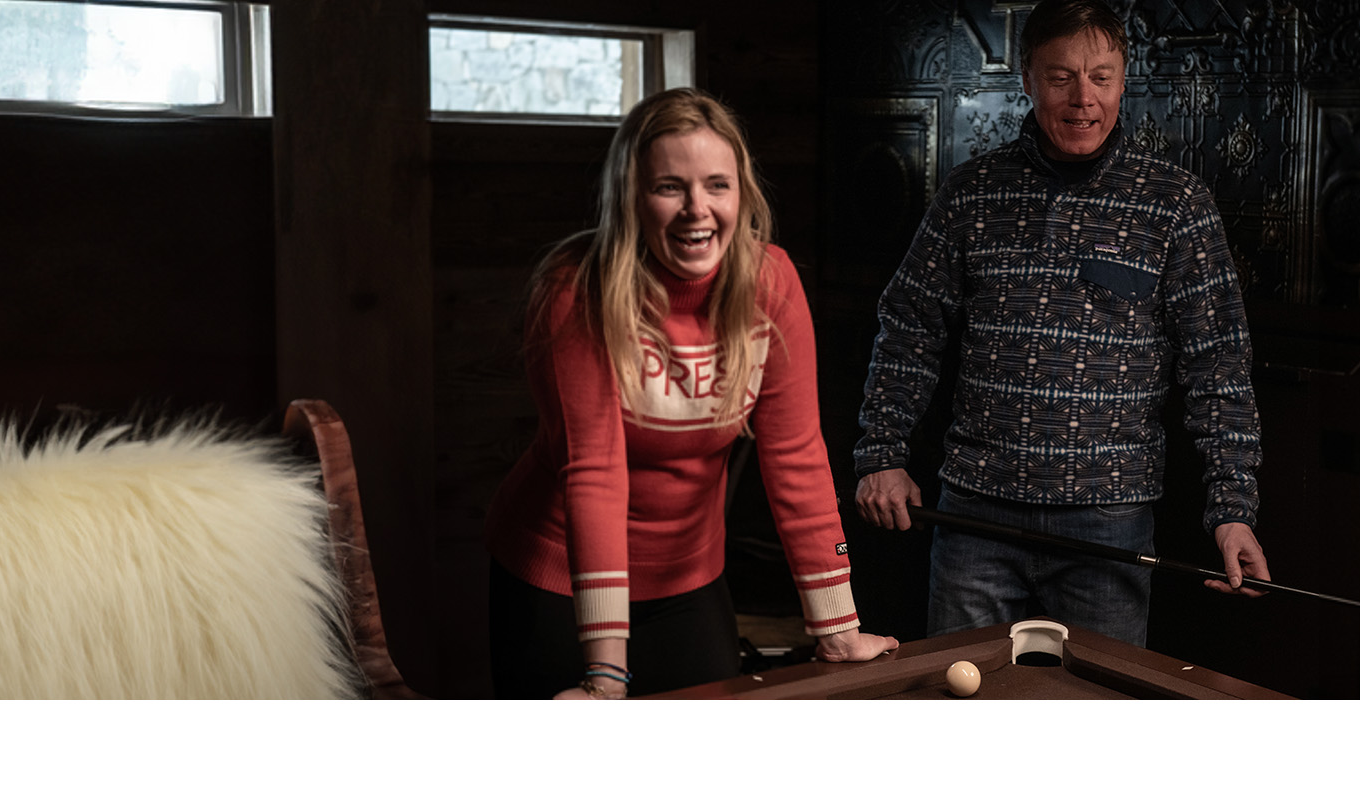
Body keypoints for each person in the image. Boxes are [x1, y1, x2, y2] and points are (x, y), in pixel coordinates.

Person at [852, 0, 1270, 648]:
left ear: (1123, 80)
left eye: (1100, 77)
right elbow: (909, 327)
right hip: (974, 521)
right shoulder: (970, 194)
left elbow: (1219, 366)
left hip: (1109, 526)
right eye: (1060, 77)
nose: (1082, 99)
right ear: (1027, 78)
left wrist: (1233, 511)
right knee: (962, 706)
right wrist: (881, 454)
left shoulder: (1176, 205)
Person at [486, 87, 897, 699]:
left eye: (717, 185)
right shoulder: (575, 291)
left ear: (741, 193)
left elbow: (797, 457)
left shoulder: (770, 283)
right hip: (559, 578)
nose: (696, 209)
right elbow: (594, 472)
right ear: (632, 197)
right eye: (670, 187)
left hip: (689, 575)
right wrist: (604, 675)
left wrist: (837, 625)